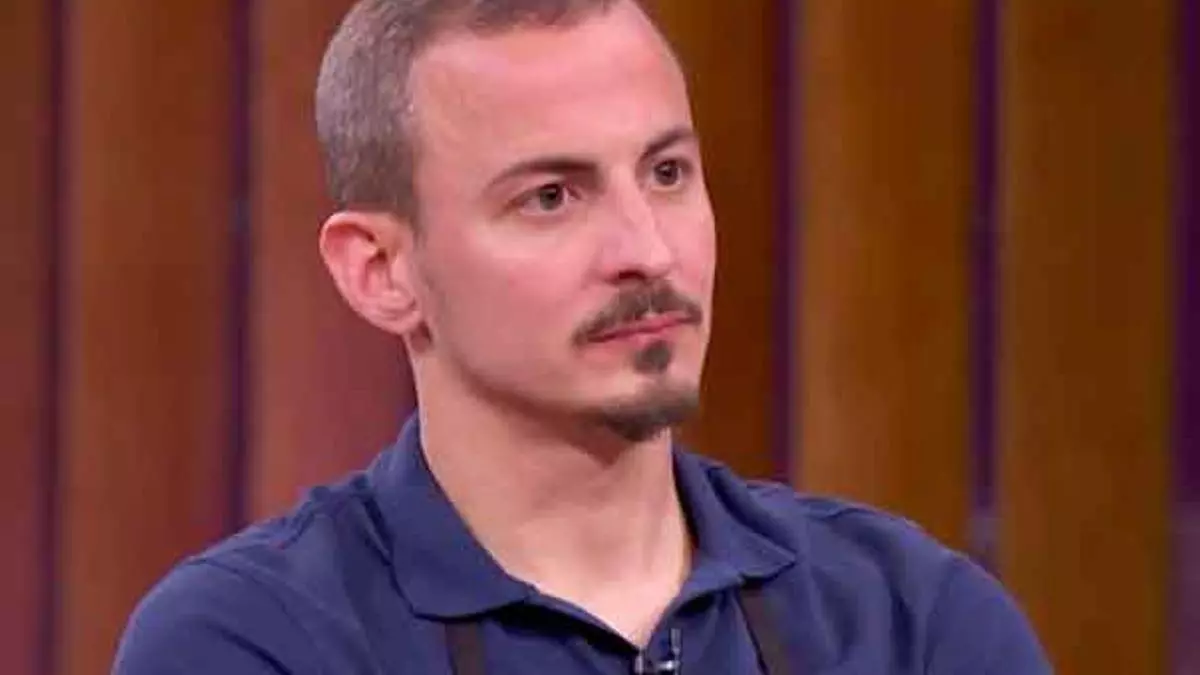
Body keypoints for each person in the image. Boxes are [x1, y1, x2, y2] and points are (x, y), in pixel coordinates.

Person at [113, 0, 1051, 672]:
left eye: (668, 173)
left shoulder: (909, 621)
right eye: (552, 197)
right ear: (382, 271)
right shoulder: (257, 640)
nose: (647, 251)